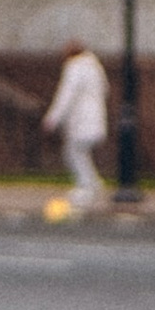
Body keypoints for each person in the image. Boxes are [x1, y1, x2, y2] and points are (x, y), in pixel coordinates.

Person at [43, 39, 109, 215]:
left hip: (81, 119)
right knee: (80, 152)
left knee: (73, 152)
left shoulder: (74, 68)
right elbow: (105, 89)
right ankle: (93, 183)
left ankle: (86, 186)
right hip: (96, 116)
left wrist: (52, 118)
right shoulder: (95, 66)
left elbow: (66, 95)